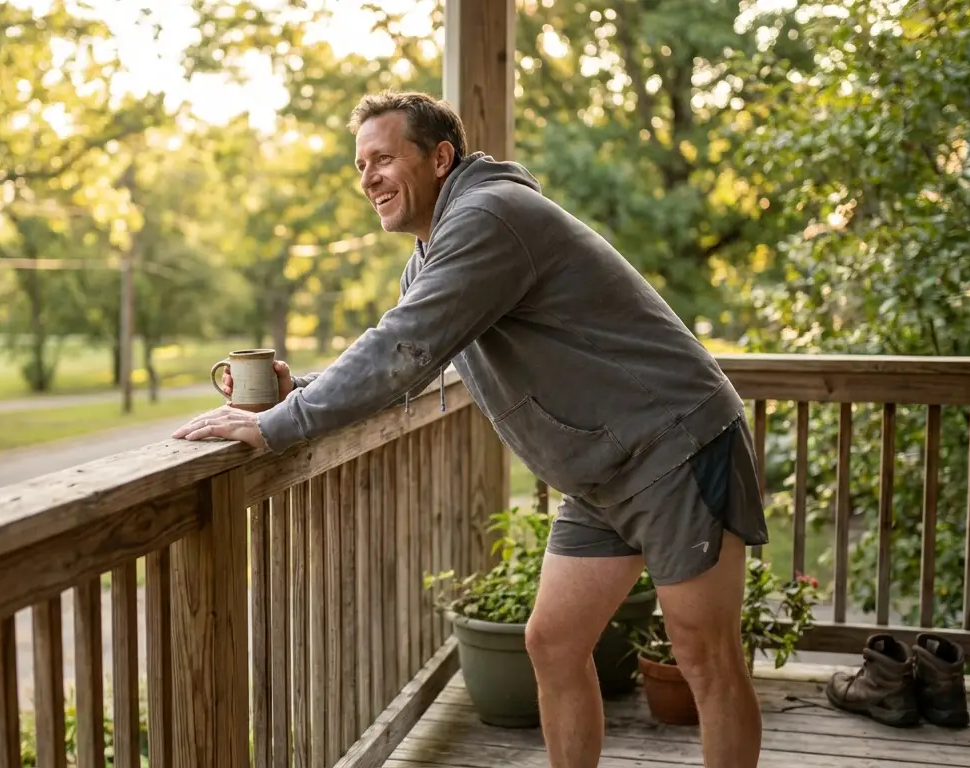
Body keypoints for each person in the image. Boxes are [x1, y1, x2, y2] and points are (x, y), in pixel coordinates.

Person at [172, 91, 769, 767]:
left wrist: (279, 427)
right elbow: (409, 357)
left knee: (704, 655)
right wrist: (296, 391)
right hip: (605, 474)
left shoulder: (490, 217)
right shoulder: (432, 253)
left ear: (441, 158)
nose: (368, 177)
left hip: (674, 445)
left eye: (384, 158)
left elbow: (404, 349)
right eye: (360, 163)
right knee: (553, 642)